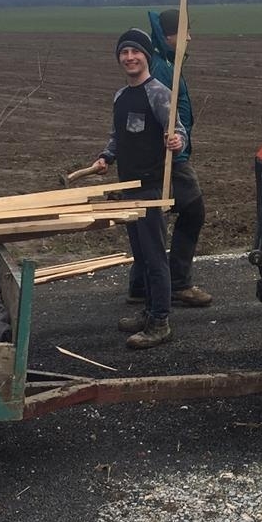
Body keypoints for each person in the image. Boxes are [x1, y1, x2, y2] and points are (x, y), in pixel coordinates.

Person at [96, 28, 188, 350]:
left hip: (151, 188)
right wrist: (106, 157)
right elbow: (117, 136)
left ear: (146, 56)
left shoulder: (159, 93)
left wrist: (176, 141)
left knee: (154, 256)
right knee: (141, 256)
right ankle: (149, 311)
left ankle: (160, 322)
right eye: (124, 52)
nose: (129, 57)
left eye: (135, 52)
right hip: (129, 187)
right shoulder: (121, 96)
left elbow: (178, 131)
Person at [124, 9, 211, 310]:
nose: (190, 38)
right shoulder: (162, 69)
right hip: (171, 158)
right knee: (192, 212)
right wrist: (170, 148)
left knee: (149, 219)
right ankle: (178, 283)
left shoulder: (167, 63)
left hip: (168, 156)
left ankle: (140, 285)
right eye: (185, 33)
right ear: (170, 36)